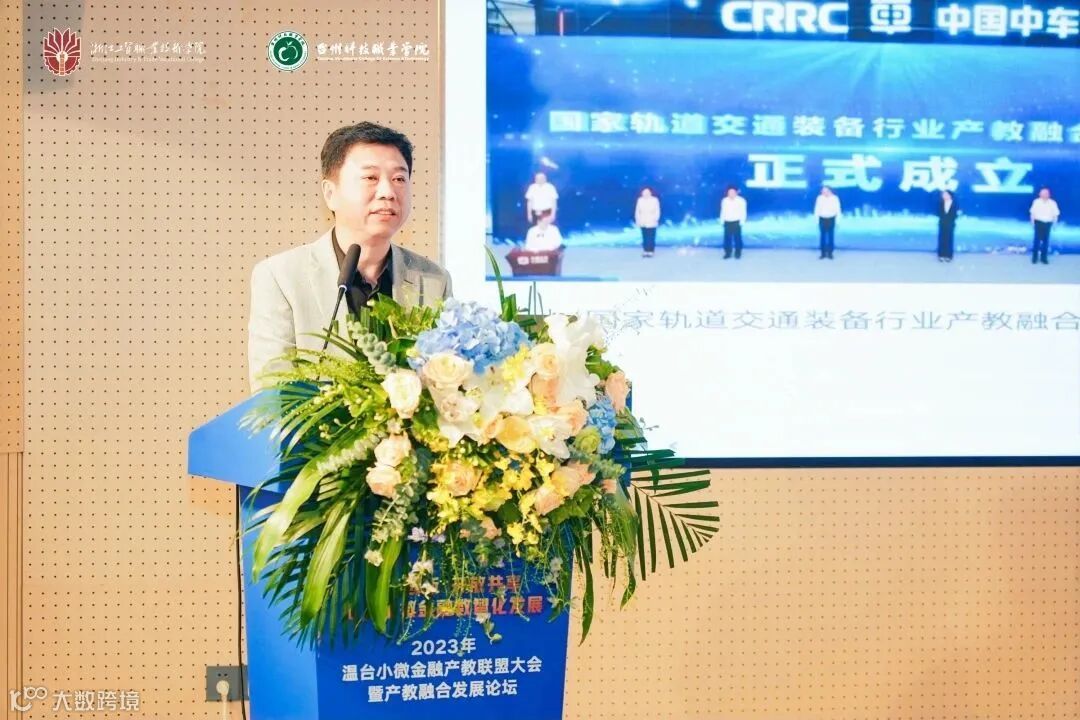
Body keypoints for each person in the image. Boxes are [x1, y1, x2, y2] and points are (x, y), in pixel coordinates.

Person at [248, 121, 451, 390]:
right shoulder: (280, 277)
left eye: (399, 179)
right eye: (370, 178)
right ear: (330, 194)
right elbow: (272, 392)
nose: (388, 192)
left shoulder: (433, 280)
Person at [1029, 187, 1060, 265]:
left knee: (1046, 241)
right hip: (1038, 222)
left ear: (1049, 194)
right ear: (1040, 194)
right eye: (1042, 193)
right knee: (1036, 241)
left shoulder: (1053, 203)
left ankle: (1044, 258)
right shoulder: (1036, 202)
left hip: (1048, 223)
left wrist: (1055, 224)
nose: (1044, 195)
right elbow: (1032, 213)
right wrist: (1032, 223)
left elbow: (1055, 215)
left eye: (1046, 193)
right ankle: (1034, 258)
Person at [719, 185, 747, 259]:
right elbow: (723, 211)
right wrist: (722, 220)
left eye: (733, 192)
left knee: (737, 238)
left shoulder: (741, 201)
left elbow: (743, 212)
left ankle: (738, 252)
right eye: (729, 192)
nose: (731, 194)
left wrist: (742, 221)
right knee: (727, 238)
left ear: (736, 192)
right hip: (727, 222)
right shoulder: (724, 200)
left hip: (736, 222)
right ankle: (728, 253)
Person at [814, 186, 841, 259]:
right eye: (822, 191)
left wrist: (838, 221)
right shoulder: (819, 198)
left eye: (824, 191)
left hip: (831, 219)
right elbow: (817, 209)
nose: (823, 192)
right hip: (822, 219)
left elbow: (838, 210)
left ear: (829, 191)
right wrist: (816, 220)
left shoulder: (835, 198)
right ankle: (822, 253)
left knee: (831, 236)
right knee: (822, 236)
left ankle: (830, 253)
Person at [634, 187, 660, 257]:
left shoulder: (654, 200)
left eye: (647, 192)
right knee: (644, 236)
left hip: (652, 221)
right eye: (644, 192)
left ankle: (651, 251)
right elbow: (637, 211)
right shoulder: (640, 200)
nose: (645, 194)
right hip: (642, 220)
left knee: (651, 236)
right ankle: (645, 250)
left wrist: (656, 218)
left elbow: (657, 210)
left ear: (650, 193)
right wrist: (637, 220)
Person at [936, 190, 959, 262]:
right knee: (941, 239)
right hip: (942, 224)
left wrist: (950, 220)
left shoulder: (955, 204)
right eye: (943, 194)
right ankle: (941, 255)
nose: (943, 196)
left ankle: (949, 255)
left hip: (950, 224)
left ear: (950, 195)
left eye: (945, 194)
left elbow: (956, 214)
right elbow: (938, 212)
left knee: (949, 240)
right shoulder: (940, 203)